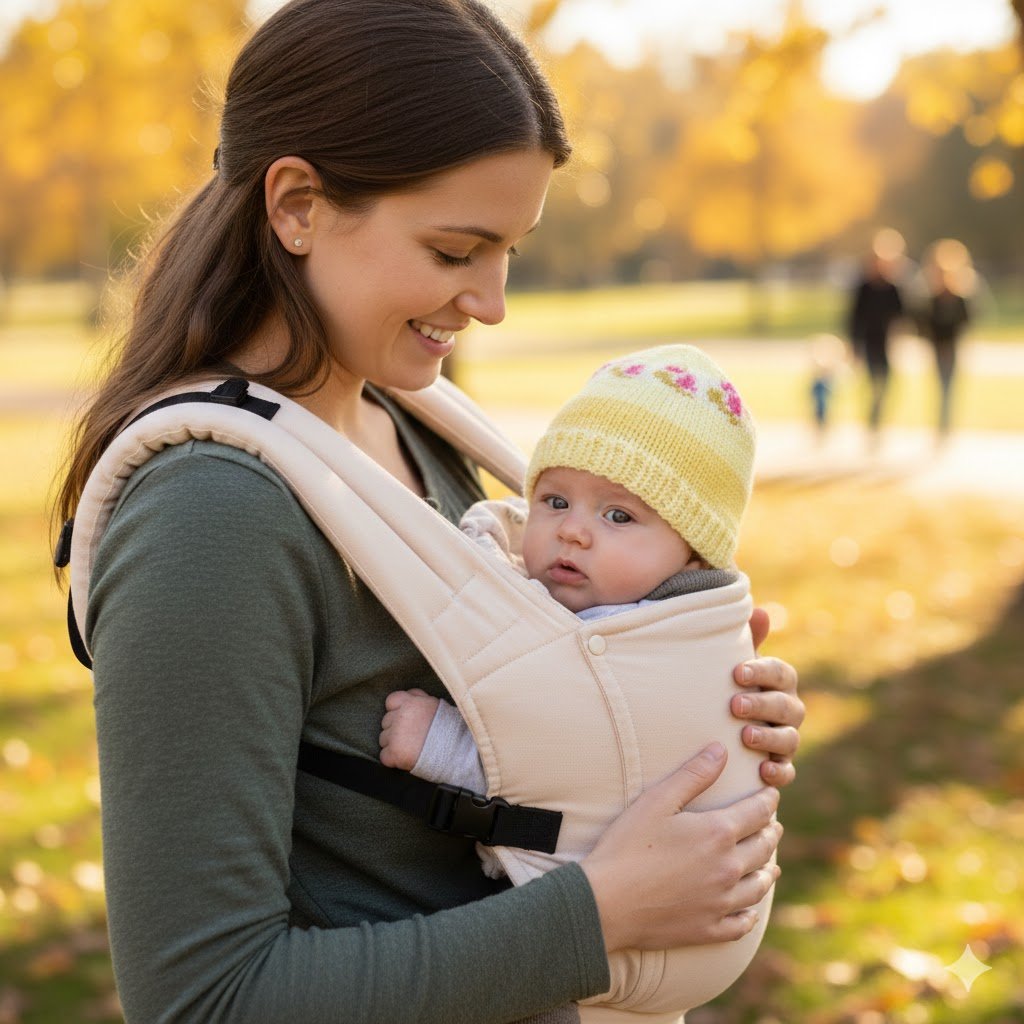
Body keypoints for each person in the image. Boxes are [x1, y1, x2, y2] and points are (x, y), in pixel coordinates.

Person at [52, 2, 803, 1022]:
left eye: (508, 252)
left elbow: (525, 714)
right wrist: (600, 911)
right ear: (298, 205)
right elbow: (203, 999)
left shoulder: (417, 426)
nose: (490, 299)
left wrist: (684, 693)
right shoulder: (212, 515)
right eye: (456, 250)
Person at [380, 344, 755, 805]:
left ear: (695, 558)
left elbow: (588, 762)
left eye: (618, 516)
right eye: (555, 502)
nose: (572, 531)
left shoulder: (660, 657)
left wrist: (449, 747)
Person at [847, 229, 906, 440]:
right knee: (872, 384)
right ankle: (873, 423)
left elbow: (902, 315)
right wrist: (854, 345)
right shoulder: (864, 287)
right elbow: (854, 318)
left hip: (887, 344)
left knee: (887, 385)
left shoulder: (893, 288)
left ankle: (877, 420)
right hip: (869, 343)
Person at [918, 239, 973, 439]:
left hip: (951, 346)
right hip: (937, 345)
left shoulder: (959, 298)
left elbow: (966, 320)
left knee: (948, 387)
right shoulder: (931, 299)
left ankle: (946, 426)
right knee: (940, 386)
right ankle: (941, 425)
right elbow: (923, 323)